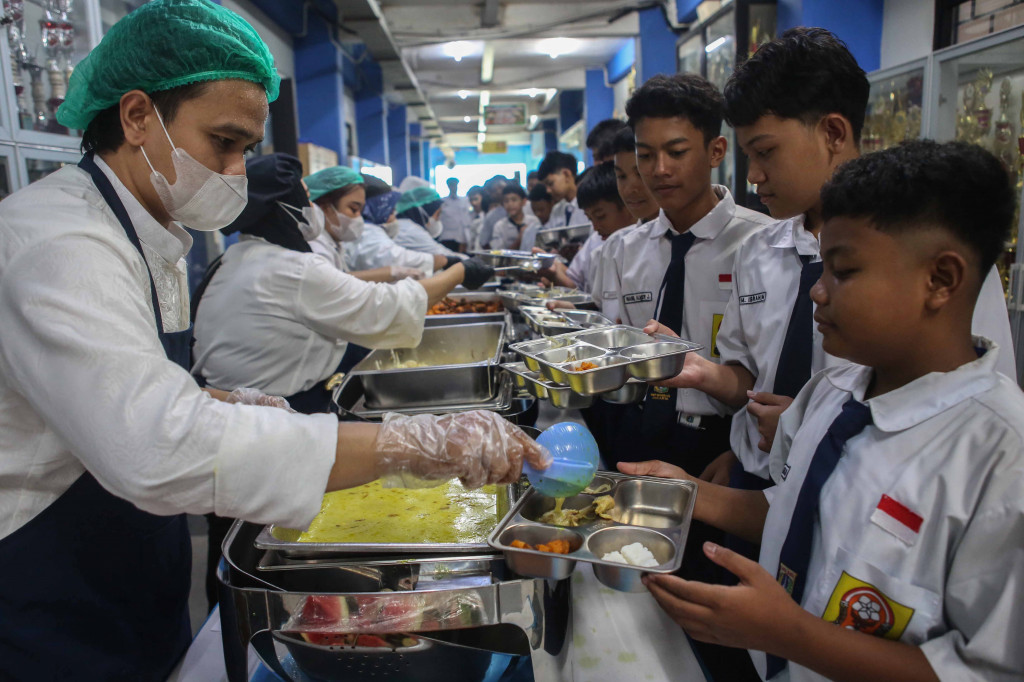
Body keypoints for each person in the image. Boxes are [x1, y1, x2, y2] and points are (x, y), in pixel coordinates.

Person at [0, 2, 549, 679]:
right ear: (137, 116)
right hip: (48, 573)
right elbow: (151, 443)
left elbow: (102, 386)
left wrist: (213, 397)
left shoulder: (147, 231)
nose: (234, 170)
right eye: (223, 142)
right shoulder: (60, 244)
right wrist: (414, 443)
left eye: (245, 150)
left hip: (129, 550)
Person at [625, 140, 1024, 682]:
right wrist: (687, 493)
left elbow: (989, 669)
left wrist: (789, 635)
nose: (817, 293)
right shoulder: (832, 392)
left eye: (844, 271)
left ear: (941, 280)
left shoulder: (1003, 460)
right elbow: (799, 509)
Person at [653, 28, 1017, 489]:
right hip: (757, 478)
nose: (755, 176)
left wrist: (807, 431)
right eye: (748, 156)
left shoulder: (918, 254)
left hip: (865, 488)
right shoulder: (759, 250)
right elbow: (751, 374)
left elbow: (962, 407)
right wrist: (711, 383)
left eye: (765, 152)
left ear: (833, 132)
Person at [192, 154, 494, 413]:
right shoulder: (290, 268)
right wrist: (460, 273)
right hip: (275, 409)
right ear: (287, 207)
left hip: (237, 402)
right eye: (305, 200)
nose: (310, 209)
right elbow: (383, 308)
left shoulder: (238, 255)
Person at [599, 73, 772, 472]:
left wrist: (742, 448)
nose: (658, 170)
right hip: (635, 430)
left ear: (716, 151)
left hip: (724, 441)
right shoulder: (624, 250)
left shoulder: (762, 244)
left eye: (676, 152)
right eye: (645, 155)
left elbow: (773, 376)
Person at [305, 168, 422, 282]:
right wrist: (392, 273)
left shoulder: (333, 242)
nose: (359, 218)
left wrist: (391, 273)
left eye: (361, 211)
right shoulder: (315, 247)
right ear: (325, 208)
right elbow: (335, 287)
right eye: (354, 209)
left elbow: (342, 278)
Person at [543, 163, 634, 293]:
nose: (596, 227)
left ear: (627, 205)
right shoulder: (595, 243)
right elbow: (578, 287)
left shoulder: (644, 244)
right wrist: (553, 273)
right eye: (590, 219)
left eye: (601, 216)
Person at [393, 186, 465, 259]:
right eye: (438, 215)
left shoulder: (405, 225)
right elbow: (443, 254)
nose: (438, 220)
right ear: (425, 213)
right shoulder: (410, 230)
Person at [537, 150, 588, 228]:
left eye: (550, 183)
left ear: (566, 174)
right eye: (545, 186)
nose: (548, 190)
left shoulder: (588, 204)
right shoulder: (557, 210)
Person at [490, 183, 540, 250]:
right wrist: (519, 240)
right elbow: (498, 252)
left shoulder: (534, 222)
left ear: (524, 201)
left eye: (514, 200)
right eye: (506, 201)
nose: (510, 204)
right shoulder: (499, 226)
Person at [439, 177, 471, 251]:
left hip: (463, 237)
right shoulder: (442, 201)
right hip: (447, 237)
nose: (453, 187)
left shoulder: (465, 200)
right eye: (451, 185)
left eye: (454, 184)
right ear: (448, 186)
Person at [477, 174, 508, 249]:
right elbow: (484, 242)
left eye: (501, 187)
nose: (498, 192)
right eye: (494, 190)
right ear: (491, 194)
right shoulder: (492, 216)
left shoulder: (526, 207)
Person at [464, 184, 487, 251]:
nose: (473, 203)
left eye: (476, 199)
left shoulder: (487, 216)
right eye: (471, 200)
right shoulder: (468, 216)